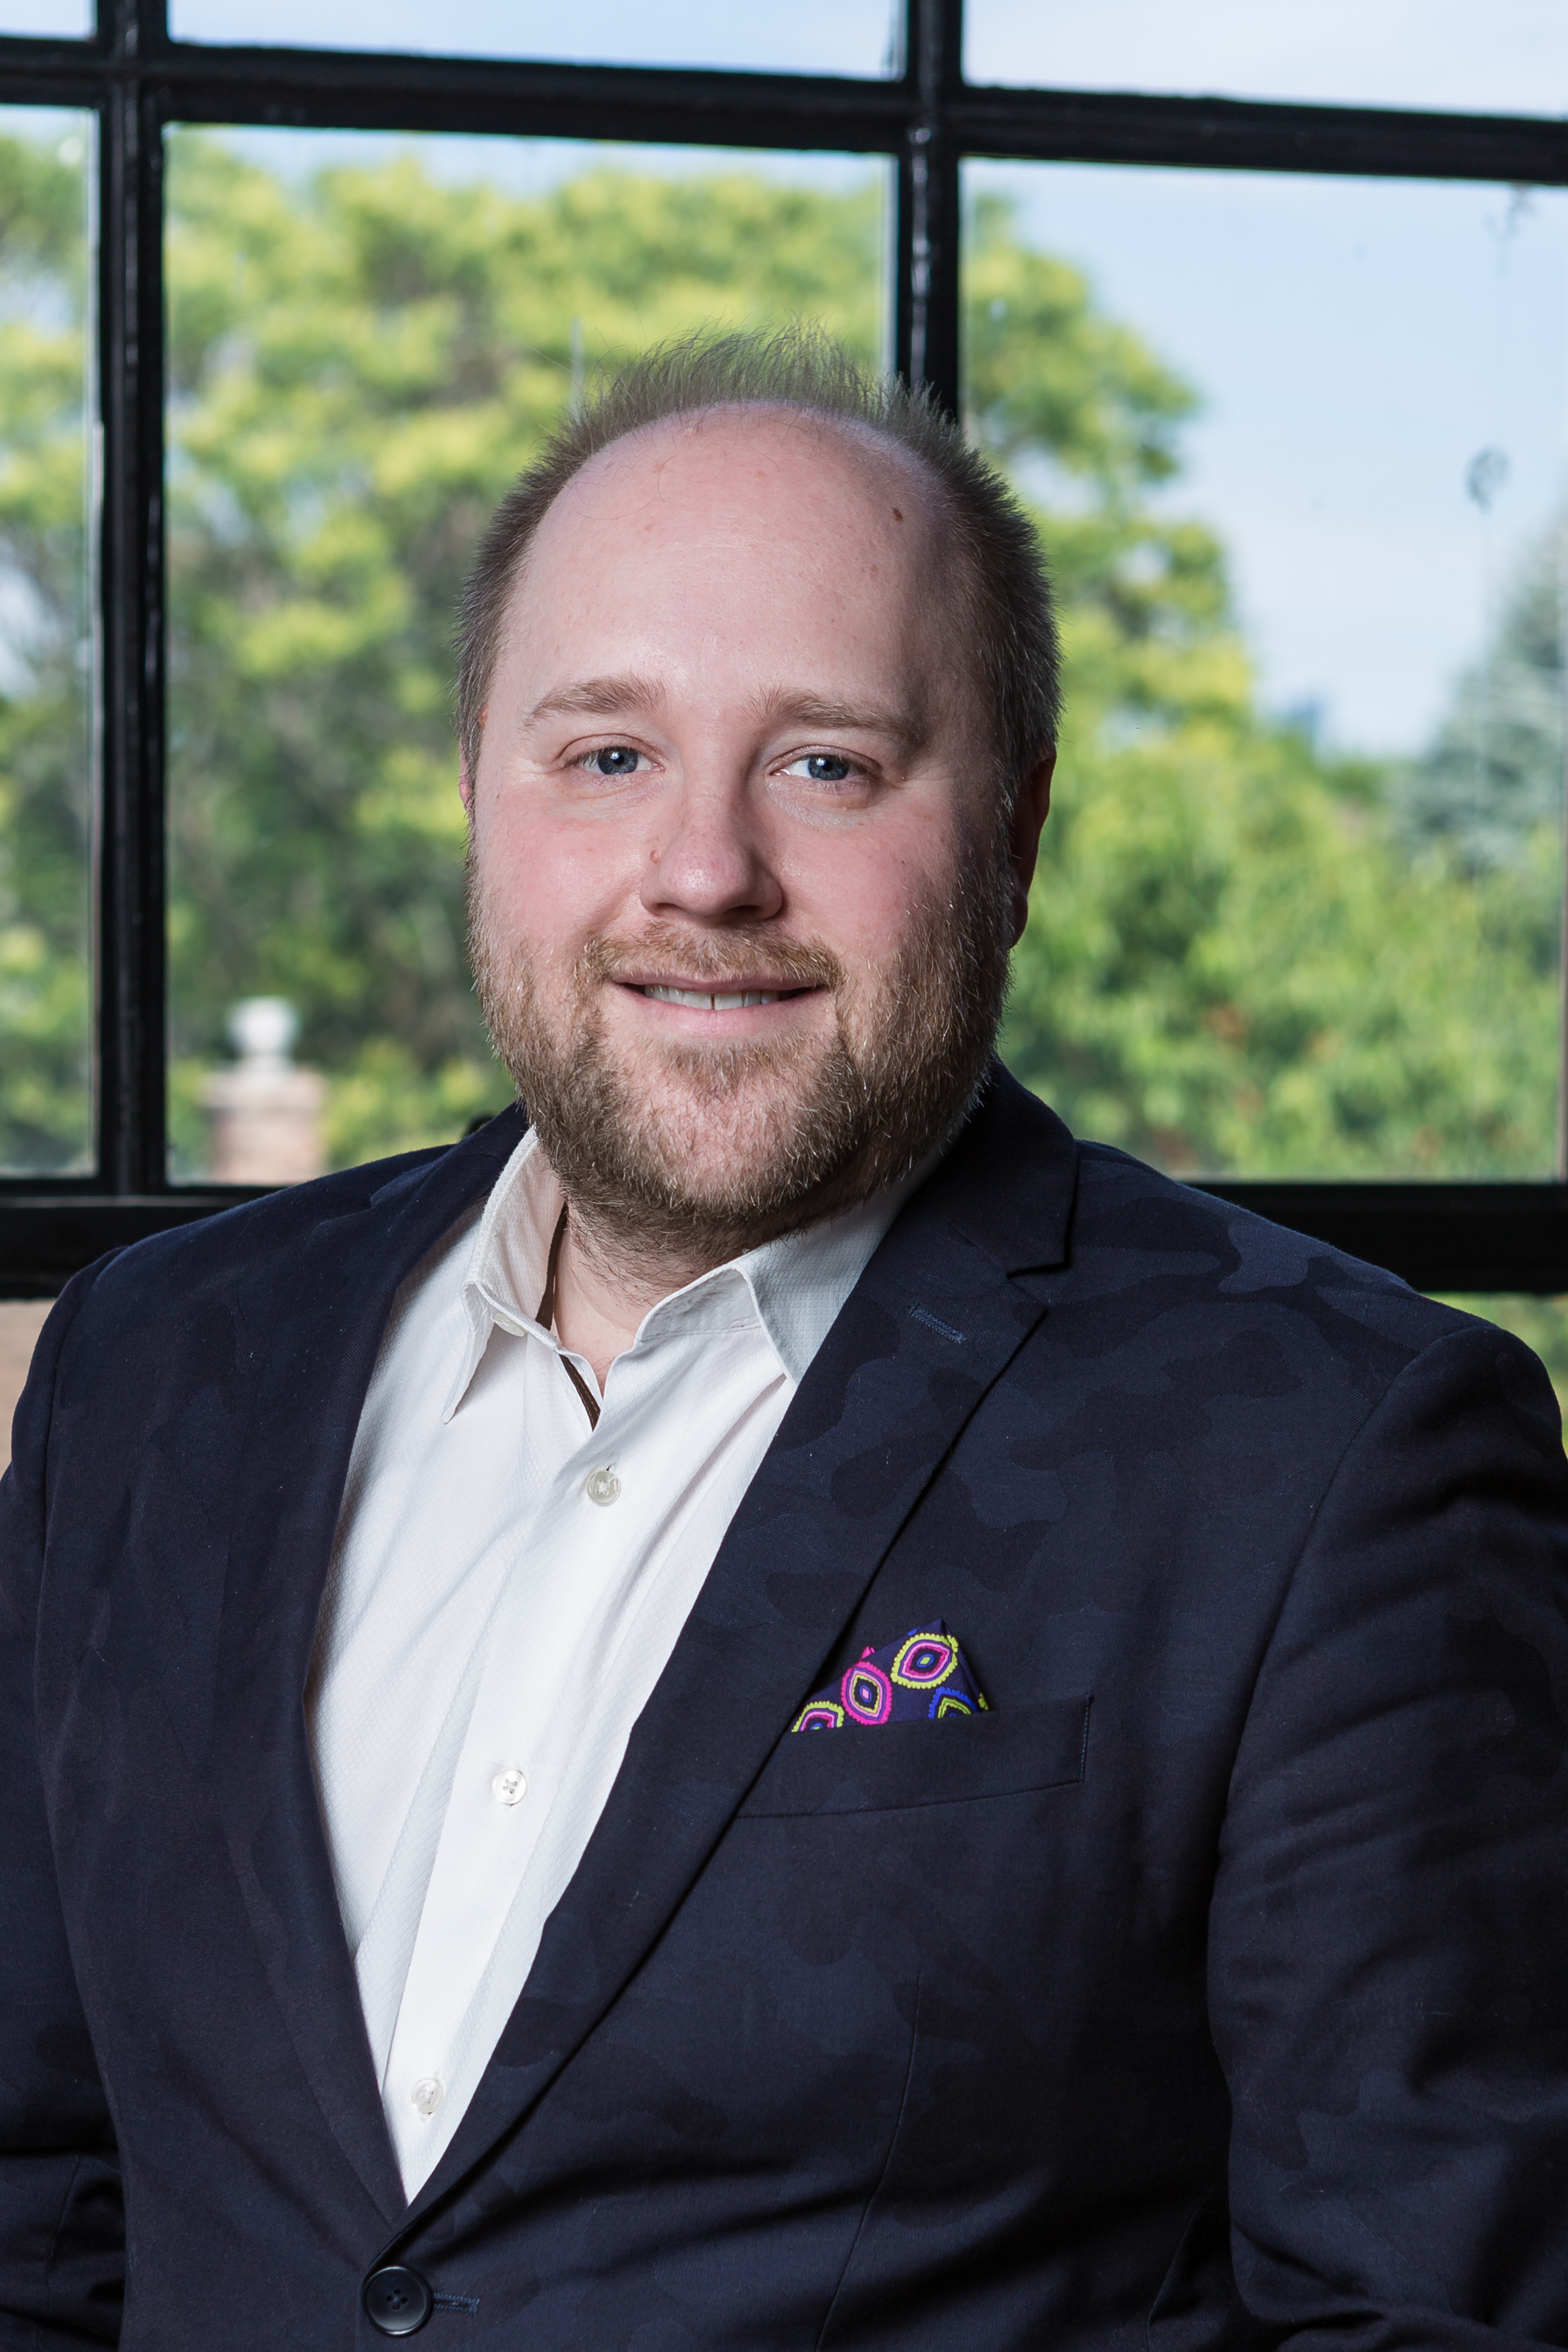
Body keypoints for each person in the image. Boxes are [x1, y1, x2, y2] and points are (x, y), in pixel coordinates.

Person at [3, 327, 1567, 2352]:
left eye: (828, 763)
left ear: (1015, 830)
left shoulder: (1331, 1454)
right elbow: (33, 2211)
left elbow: (1430, 2321)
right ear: (475, 792)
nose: (705, 872)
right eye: (608, 756)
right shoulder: (154, 1367)